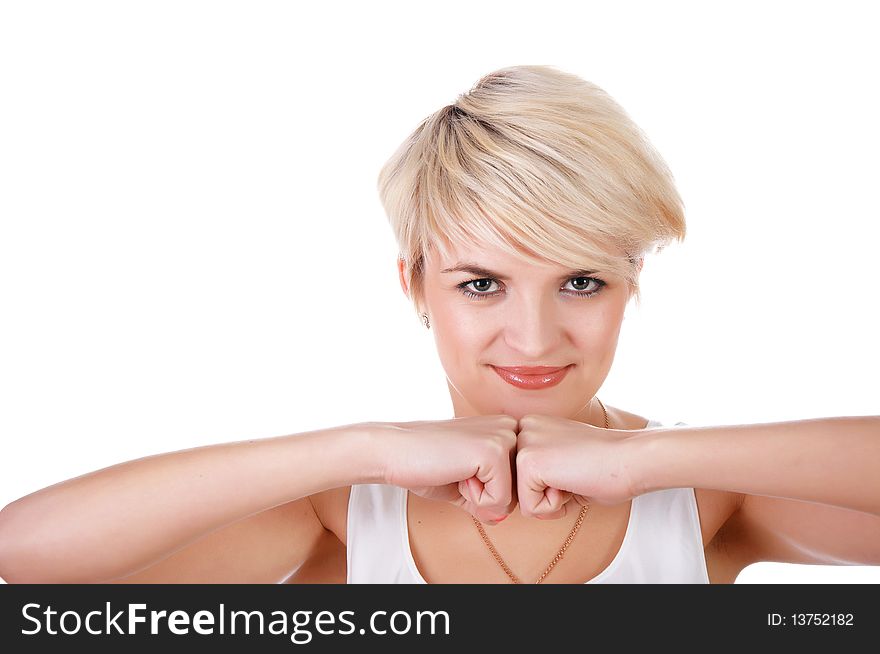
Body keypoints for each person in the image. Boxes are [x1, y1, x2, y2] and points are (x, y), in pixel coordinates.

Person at [0, 65, 877, 585]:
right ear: (415, 285)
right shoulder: (341, 511)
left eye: (581, 280)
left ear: (631, 281)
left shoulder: (705, 498)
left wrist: (644, 460)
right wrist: (364, 450)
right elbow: (22, 559)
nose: (533, 340)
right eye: (482, 284)